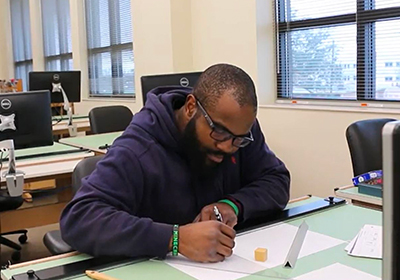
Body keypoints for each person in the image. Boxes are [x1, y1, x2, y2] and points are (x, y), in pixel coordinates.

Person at [60, 63, 290, 263]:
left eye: (238, 139)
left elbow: (277, 180)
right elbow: (80, 218)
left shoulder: (239, 133)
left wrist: (233, 205)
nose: (228, 146)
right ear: (191, 108)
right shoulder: (138, 149)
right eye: (219, 132)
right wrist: (174, 238)